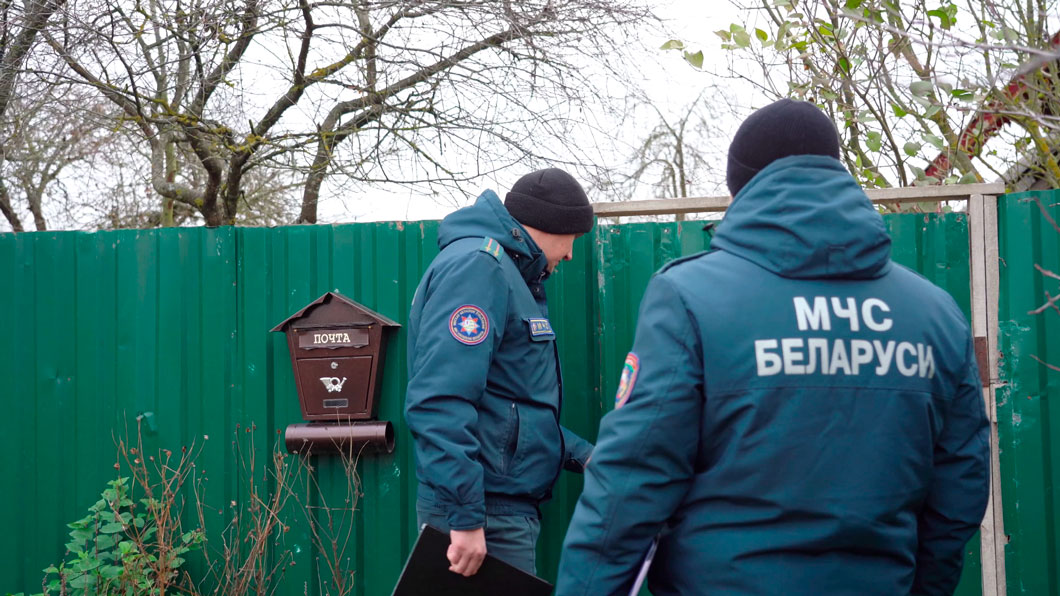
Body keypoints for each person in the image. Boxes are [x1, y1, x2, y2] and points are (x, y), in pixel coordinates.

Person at [555, 99, 990, 595]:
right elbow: (960, 490)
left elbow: (629, 487)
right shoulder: (934, 313)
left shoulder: (691, 296)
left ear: (740, 187)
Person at [405, 167, 595, 578]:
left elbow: (507, 409)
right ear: (551, 225)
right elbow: (440, 401)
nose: (571, 254)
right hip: (483, 515)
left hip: (492, 509)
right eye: (573, 239)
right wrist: (466, 518)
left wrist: (584, 456)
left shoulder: (504, 272)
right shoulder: (480, 268)